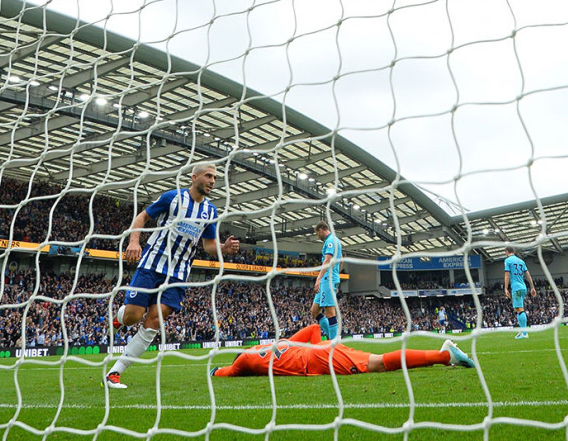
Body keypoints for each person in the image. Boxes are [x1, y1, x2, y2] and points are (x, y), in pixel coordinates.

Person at [106, 163, 241, 389]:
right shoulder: (172, 198)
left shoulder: (210, 211)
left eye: (215, 178)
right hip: (151, 265)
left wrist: (223, 249)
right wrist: (133, 241)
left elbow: (208, 245)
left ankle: (114, 373)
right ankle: (121, 317)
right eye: (208, 176)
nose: (212, 181)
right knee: (133, 316)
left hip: (178, 274)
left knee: (154, 321)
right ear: (194, 177)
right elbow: (142, 217)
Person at [210, 323, 475, 377]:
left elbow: (225, 371)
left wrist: (215, 372)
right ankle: (443, 355)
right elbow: (314, 327)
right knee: (378, 361)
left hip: (318, 360)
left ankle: (444, 356)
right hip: (319, 350)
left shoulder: (245, 359)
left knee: (380, 363)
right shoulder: (272, 345)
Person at [309, 221, 342, 340]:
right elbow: (341, 260)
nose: (318, 236)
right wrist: (336, 277)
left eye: (317, 233)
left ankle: (334, 343)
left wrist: (319, 278)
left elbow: (327, 260)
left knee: (330, 312)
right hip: (328, 279)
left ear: (321, 230)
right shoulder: (335, 241)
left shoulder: (330, 241)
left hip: (327, 279)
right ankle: (332, 337)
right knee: (314, 311)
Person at [503, 246, 535, 339]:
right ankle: (522, 331)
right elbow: (528, 274)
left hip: (516, 288)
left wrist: (505, 288)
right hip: (523, 287)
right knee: (517, 309)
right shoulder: (521, 261)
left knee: (520, 309)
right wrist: (532, 287)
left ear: (506, 252)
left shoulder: (508, 260)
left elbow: (507, 274)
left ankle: (524, 333)